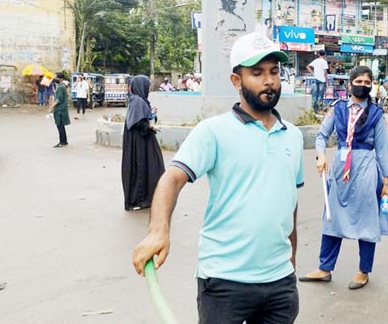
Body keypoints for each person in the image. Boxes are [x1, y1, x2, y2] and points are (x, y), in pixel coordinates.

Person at [132, 32, 304, 323]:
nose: (269, 81)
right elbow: (171, 179)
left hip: (280, 283)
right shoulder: (213, 132)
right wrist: (158, 230)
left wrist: (291, 260)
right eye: (257, 73)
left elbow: (290, 201)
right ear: (236, 81)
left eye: (274, 72)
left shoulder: (294, 136)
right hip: (225, 283)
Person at [299, 65, 388, 290]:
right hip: (340, 169)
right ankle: (325, 268)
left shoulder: (376, 114)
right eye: (358, 82)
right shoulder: (338, 109)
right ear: (350, 83)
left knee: (367, 219)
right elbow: (321, 135)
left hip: (365, 168)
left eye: (367, 83)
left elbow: (382, 149)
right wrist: (321, 156)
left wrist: (387, 182)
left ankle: (363, 271)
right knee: (332, 217)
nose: (362, 86)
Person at [122, 75, 166, 211]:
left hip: (142, 140)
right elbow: (138, 123)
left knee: (151, 167)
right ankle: (140, 199)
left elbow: (142, 117)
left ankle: (148, 197)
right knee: (143, 167)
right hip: (139, 143)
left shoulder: (139, 100)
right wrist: (150, 127)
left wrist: (151, 114)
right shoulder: (137, 101)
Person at [49, 74, 70, 148]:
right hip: (61, 109)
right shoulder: (61, 86)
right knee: (61, 126)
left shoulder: (61, 87)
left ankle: (62, 142)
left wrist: (51, 107)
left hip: (59, 110)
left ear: (60, 78)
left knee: (60, 126)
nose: (55, 78)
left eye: (56, 77)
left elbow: (59, 99)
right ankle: (64, 141)